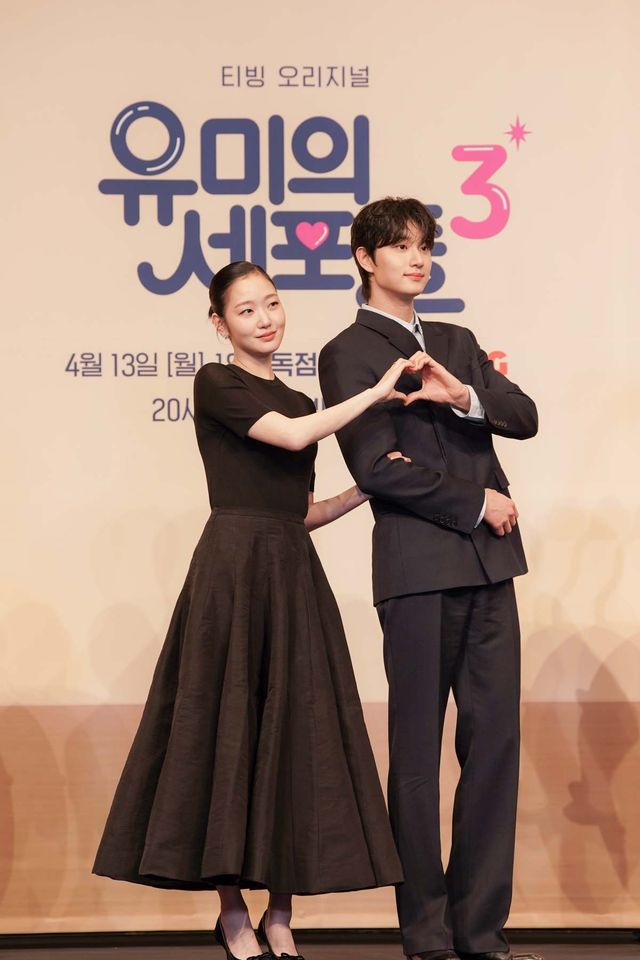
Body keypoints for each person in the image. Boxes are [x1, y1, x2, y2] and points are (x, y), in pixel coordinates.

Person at [93, 261, 408, 960]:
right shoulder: (217, 383)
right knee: (227, 727)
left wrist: (369, 487)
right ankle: (232, 911)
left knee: (293, 732)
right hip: (233, 569)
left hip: (291, 569)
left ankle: (281, 914)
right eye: (246, 310)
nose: (265, 319)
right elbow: (291, 438)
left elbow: (301, 510)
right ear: (219, 323)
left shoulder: (298, 398)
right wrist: (377, 393)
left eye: (272, 303)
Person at [318, 198, 540, 960]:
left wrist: (464, 395)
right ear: (365, 258)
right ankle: (428, 933)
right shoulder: (349, 352)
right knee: (416, 757)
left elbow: (523, 415)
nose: (416, 259)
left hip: (490, 570)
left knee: (495, 750)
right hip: (417, 571)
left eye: (424, 246)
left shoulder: (455, 341)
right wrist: (476, 503)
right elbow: (377, 467)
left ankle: (481, 931)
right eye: (399, 246)